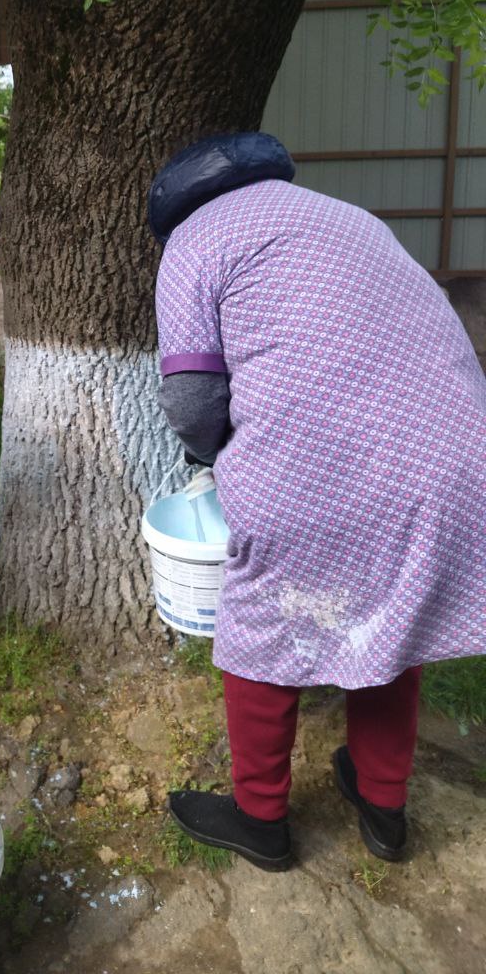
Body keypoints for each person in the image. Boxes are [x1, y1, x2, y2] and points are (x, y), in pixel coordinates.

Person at [148, 132, 486, 871]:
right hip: (455, 451)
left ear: (173, 211)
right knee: (396, 613)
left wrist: (208, 452)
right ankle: (383, 805)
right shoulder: (347, 217)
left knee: (262, 619)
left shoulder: (192, 245)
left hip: (322, 459)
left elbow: (192, 395)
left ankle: (261, 818)